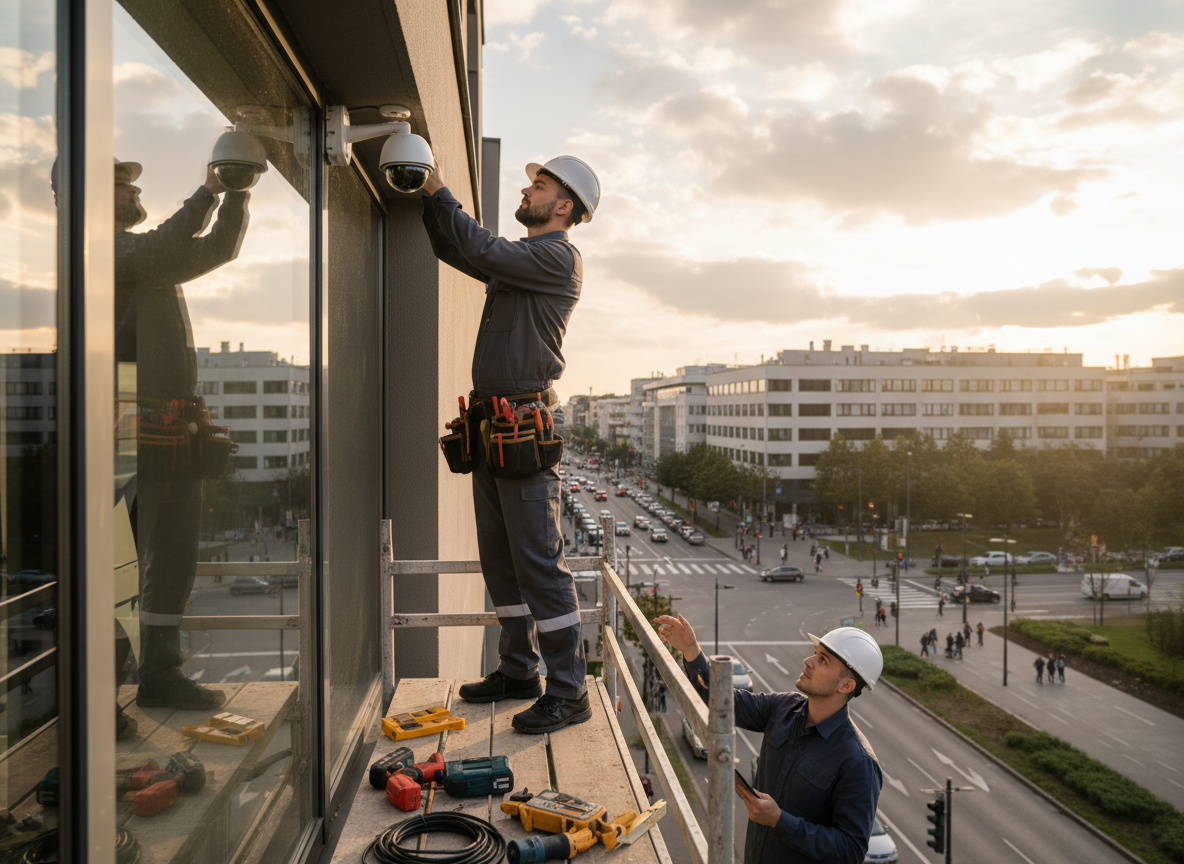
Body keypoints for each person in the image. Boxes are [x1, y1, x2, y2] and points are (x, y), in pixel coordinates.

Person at [421, 153, 601, 733]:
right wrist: (428, 198)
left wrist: (442, 190)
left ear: (564, 206)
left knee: (540, 566)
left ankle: (569, 691)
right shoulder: (522, 263)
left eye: (539, 186)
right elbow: (457, 248)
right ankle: (519, 670)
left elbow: (481, 247)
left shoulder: (556, 257)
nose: (527, 192)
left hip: (521, 427)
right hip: (494, 427)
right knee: (501, 561)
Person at [106, 157, 250, 710]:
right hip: (129, 429)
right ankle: (99, 697)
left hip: (170, 428)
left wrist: (236, 194)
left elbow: (219, 249)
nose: (133, 190)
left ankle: (161, 676)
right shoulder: (103, 250)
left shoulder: (146, 261)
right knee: (121, 568)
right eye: (121, 185)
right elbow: (159, 247)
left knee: (174, 560)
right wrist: (208, 190)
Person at [655, 614, 884, 864]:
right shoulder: (783, 707)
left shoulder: (858, 761)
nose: (808, 661)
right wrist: (691, 650)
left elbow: (851, 851)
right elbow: (720, 701)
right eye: (815, 653)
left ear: (846, 686)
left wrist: (780, 820)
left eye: (823, 660)